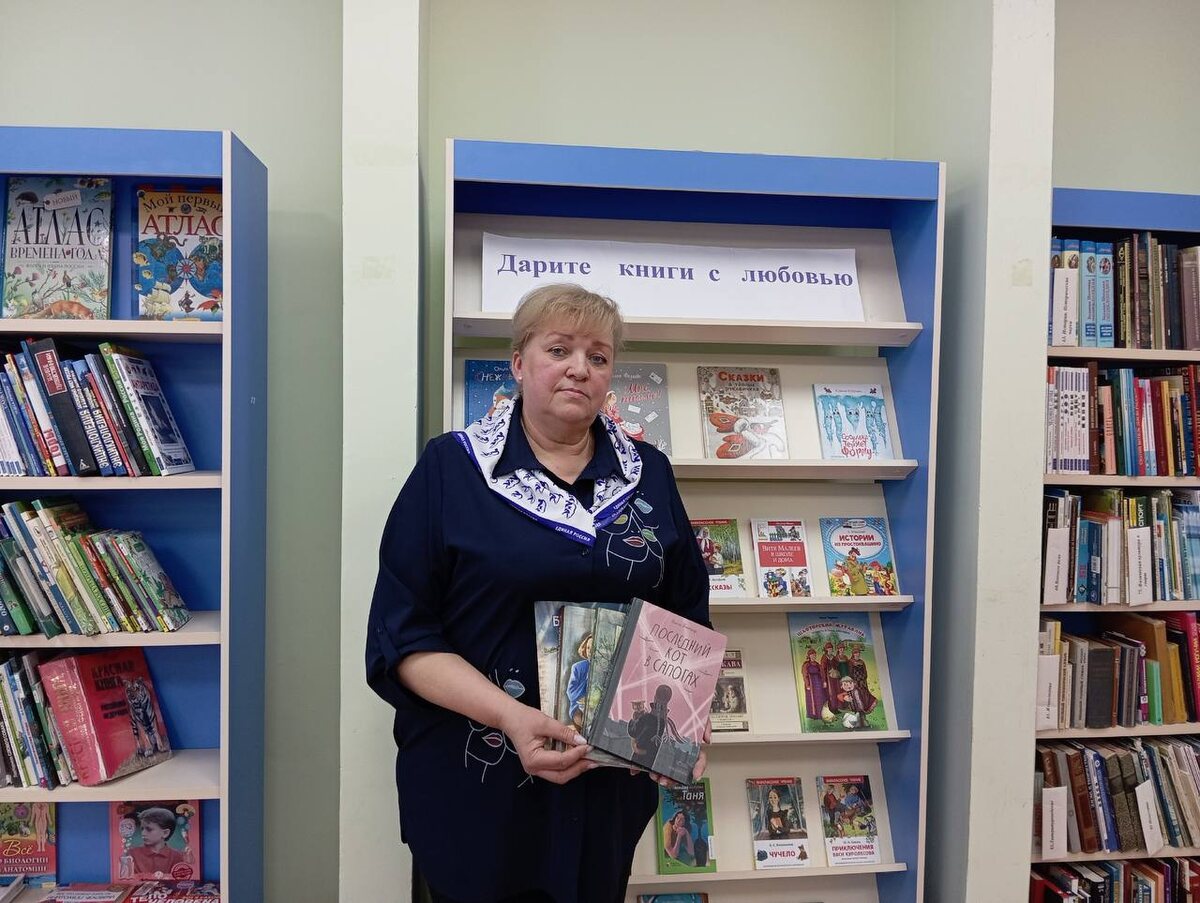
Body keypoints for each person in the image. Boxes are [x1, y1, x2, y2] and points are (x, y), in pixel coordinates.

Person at [365, 284, 710, 903]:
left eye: (598, 356)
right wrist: (511, 717)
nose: (580, 368)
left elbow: (683, 612)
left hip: (607, 786)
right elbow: (404, 637)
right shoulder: (451, 469)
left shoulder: (648, 472)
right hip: (478, 781)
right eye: (559, 349)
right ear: (519, 363)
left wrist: (682, 725)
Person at [129, 806, 189, 879]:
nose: (143, 833)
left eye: (149, 829)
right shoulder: (132, 855)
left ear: (165, 833)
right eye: (142, 829)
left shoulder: (177, 857)